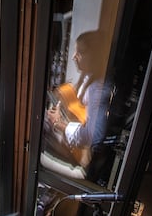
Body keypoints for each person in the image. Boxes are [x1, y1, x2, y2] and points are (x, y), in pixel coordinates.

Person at [44, 30, 112, 169]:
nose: (74, 57)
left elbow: (94, 134)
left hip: (82, 160)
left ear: (94, 55)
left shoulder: (98, 88)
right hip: (73, 148)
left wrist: (58, 123)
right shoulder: (87, 78)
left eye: (80, 52)